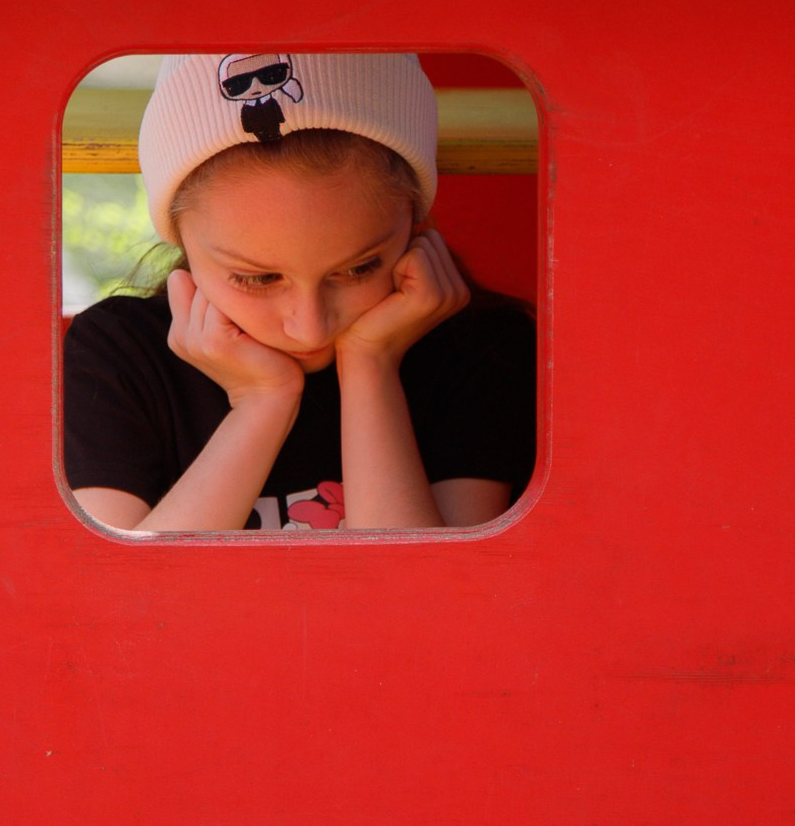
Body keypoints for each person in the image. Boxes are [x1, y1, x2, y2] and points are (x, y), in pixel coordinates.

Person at [63, 52, 535, 532]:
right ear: (180, 239)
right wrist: (262, 401)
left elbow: (432, 601)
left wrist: (371, 364)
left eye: (358, 268)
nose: (309, 324)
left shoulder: (478, 347)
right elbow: (124, 600)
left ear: (416, 225)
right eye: (258, 278)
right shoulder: (119, 354)